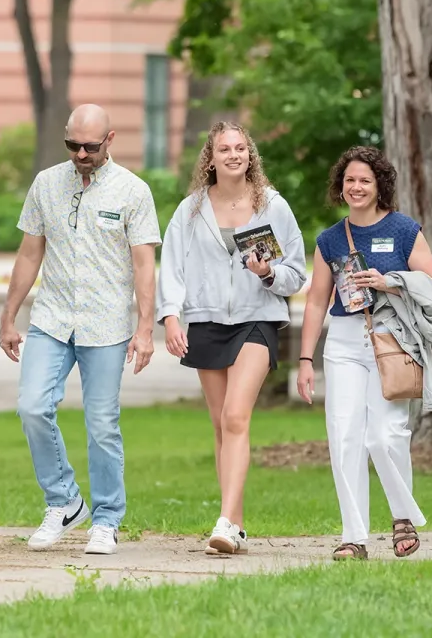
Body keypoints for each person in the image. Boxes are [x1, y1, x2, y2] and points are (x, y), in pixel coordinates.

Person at [0, 103, 161, 556]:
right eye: (73, 144)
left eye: (91, 145)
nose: (81, 153)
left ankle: (107, 519)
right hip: (51, 318)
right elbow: (30, 252)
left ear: (110, 140)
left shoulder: (133, 191)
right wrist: (9, 315)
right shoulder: (46, 184)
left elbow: (144, 264)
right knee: (32, 407)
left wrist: (145, 329)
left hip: (106, 324)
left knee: (102, 424)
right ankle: (64, 501)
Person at [157, 122, 307, 554]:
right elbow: (173, 267)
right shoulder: (191, 209)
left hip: (257, 317)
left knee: (237, 416)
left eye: (241, 147)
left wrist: (268, 272)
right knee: (221, 424)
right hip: (205, 321)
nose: (233, 154)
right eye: (224, 148)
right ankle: (234, 524)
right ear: (211, 157)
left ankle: (224, 522)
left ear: (250, 155)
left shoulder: (272, 206)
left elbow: (295, 272)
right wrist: (170, 317)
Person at [296, 146, 432, 561]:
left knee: (384, 434)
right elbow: (314, 302)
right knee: (344, 437)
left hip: (391, 337)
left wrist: (389, 281)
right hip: (343, 341)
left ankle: (402, 516)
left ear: (379, 185)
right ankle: (354, 537)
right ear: (340, 188)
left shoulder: (403, 229)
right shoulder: (329, 239)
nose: (356, 187)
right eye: (349, 181)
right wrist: (305, 360)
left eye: (364, 180)